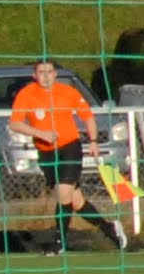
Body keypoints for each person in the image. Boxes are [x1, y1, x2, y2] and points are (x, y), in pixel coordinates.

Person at [9, 59, 128, 253]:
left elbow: (88, 117)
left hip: (69, 148)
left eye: (49, 72)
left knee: (63, 192)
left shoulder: (68, 92)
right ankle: (109, 228)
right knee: (76, 201)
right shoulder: (27, 94)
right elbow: (15, 123)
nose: (46, 76)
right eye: (41, 72)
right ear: (34, 75)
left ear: (55, 74)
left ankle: (59, 243)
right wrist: (41, 134)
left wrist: (93, 141)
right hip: (46, 152)